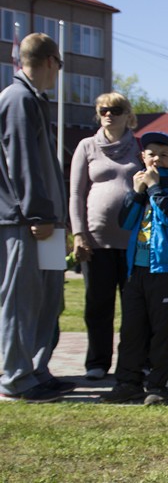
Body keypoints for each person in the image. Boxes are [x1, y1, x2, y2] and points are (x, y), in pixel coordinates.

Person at [0, 33, 73, 402]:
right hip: (26, 222)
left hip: (45, 222)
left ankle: (36, 369)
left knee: (49, 298)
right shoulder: (17, 99)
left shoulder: (33, 99)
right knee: (21, 301)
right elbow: (22, 161)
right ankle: (15, 378)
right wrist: (39, 212)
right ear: (49, 61)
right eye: (59, 64)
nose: (59, 71)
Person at [100, 131, 168, 405]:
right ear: (142, 157)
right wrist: (138, 193)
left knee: (163, 333)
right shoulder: (139, 183)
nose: (157, 159)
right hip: (136, 269)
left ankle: (158, 386)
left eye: (164, 155)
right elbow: (125, 222)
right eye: (151, 154)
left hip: (166, 270)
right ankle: (128, 383)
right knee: (131, 331)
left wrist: (154, 187)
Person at [69, 92, 142, 380]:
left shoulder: (139, 148)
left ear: (128, 114)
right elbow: (76, 193)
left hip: (133, 243)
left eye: (115, 109)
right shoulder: (86, 146)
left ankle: (132, 362)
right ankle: (97, 362)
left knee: (134, 307)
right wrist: (78, 234)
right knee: (97, 305)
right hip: (96, 242)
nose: (108, 114)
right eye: (102, 110)